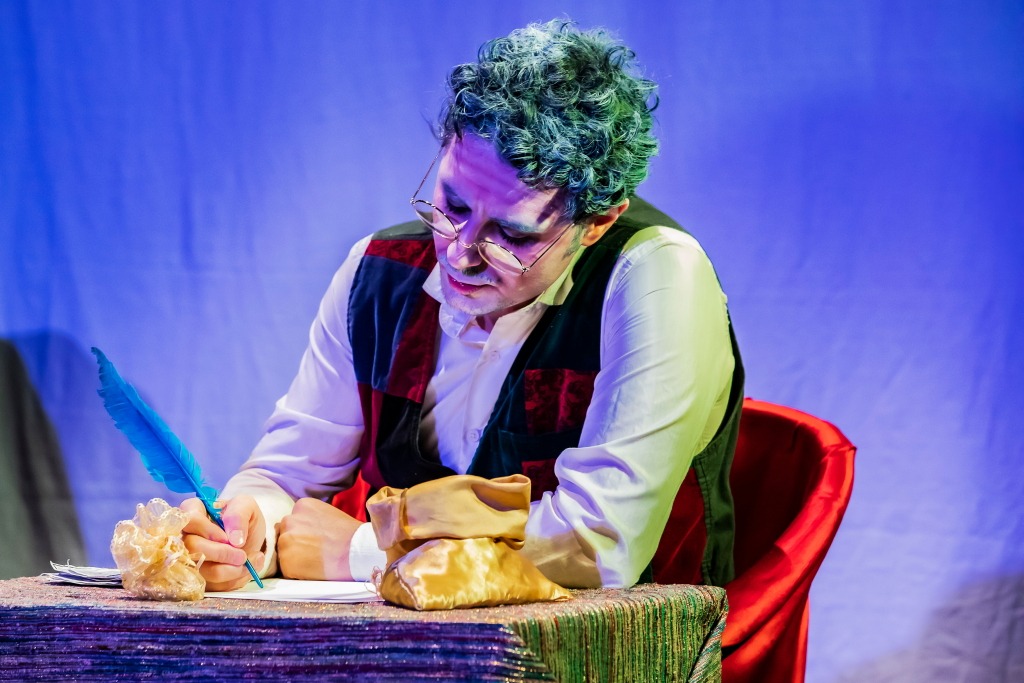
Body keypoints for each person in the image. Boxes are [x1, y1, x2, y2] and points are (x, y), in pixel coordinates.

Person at [182, 20, 743, 592]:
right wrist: (250, 527)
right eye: (451, 205)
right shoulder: (377, 269)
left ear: (597, 222)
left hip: (626, 638)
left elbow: (597, 542)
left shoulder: (657, 273)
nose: (460, 254)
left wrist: (364, 551)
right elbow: (285, 474)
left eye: (513, 236)